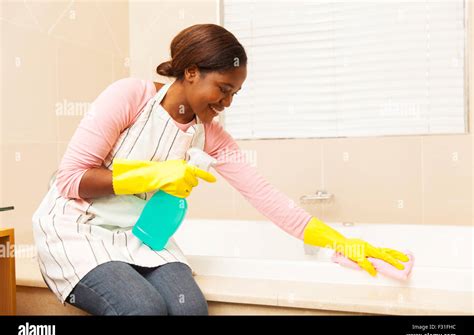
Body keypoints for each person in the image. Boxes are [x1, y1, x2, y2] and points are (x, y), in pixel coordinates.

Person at [32, 24, 408, 316]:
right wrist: (153, 175)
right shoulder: (131, 97)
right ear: (191, 72)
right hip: (78, 231)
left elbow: (269, 199)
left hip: (139, 237)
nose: (226, 103)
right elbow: (70, 180)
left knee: (189, 308)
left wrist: (341, 242)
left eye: (234, 95)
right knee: (143, 308)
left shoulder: (210, 136)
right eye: (223, 89)